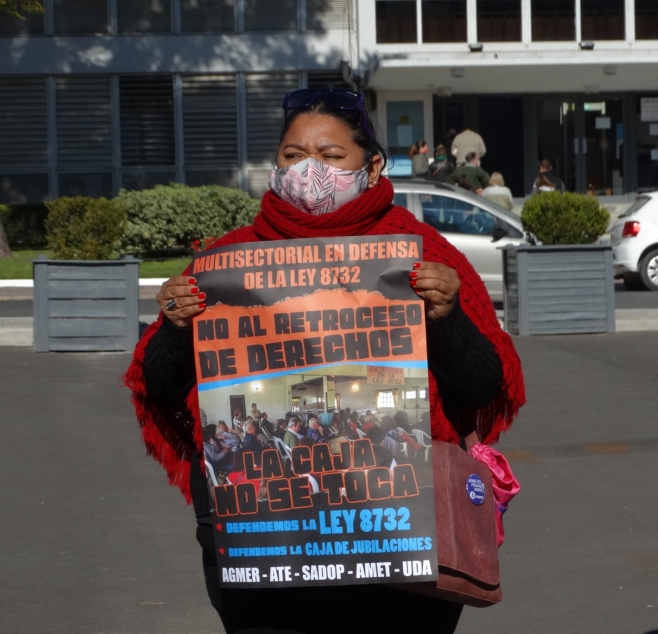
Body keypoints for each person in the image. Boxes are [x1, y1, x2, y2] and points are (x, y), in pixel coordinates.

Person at [126, 86, 524, 634]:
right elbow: (163, 388)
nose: (309, 171)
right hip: (262, 545)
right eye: (293, 156)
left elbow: (484, 388)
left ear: (373, 165)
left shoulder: (425, 255)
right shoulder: (225, 264)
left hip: (401, 543)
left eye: (331, 156)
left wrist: (447, 318)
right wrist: (174, 328)